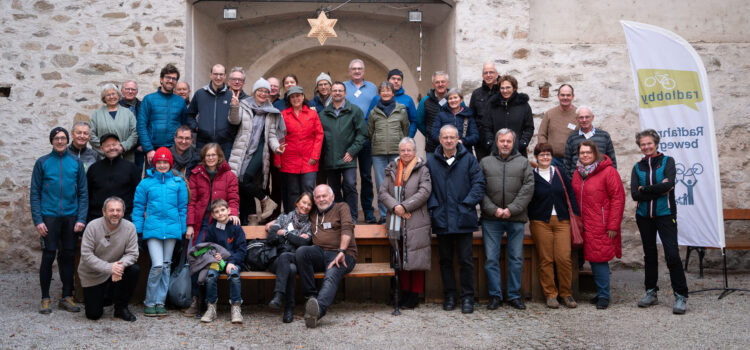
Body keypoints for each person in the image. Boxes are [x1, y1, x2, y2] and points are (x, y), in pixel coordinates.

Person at [426, 125, 485, 314]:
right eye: (445, 137)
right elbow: (427, 188)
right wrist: (434, 207)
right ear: (440, 139)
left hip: (464, 218)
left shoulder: (468, 159)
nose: (449, 140)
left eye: (452, 137)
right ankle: (450, 295)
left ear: (458, 138)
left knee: (466, 261)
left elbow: (479, 183)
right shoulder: (431, 161)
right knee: (445, 261)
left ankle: (467, 297)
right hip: (442, 218)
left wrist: (467, 203)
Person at [30, 127, 88, 314]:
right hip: (49, 217)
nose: (60, 141)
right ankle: (45, 298)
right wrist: (38, 220)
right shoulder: (42, 162)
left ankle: (66, 296)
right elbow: (34, 194)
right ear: (52, 141)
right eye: (57, 138)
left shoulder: (76, 163)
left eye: (63, 138)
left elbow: (83, 193)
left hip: (71, 217)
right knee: (48, 257)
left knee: (68, 258)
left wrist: (81, 218)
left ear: (67, 139)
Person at [630, 129, 688, 314]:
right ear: (640, 146)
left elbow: (669, 184)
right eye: (643, 144)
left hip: (665, 214)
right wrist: (657, 189)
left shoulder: (667, 161)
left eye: (649, 143)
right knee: (650, 255)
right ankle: (651, 292)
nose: (646, 147)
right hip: (644, 216)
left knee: (672, 254)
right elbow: (634, 194)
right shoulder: (637, 167)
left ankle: (680, 295)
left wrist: (645, 189)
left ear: (656, 143)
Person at [479, 128, 534, 311]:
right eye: (502, 141)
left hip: (516, 217)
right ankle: (495, 296)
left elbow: (528, 188)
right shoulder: (485, 162)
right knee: (491, 259)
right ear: (496, 142)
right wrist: (493, 210)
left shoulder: (523, 163)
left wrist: (512, 209)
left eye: (508, 141)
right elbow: (480, 188)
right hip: (491, 218)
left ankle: (514, 295)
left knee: (516, 258)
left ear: (513, 143)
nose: (505, 144)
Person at [132, 147, 188, 317]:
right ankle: (149, 301)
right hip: (153, 229)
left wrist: (183, 228)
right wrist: (138, 229)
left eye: (165, 162)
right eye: (159, 162)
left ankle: (160, 302)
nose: (162, 165)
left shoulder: (178, 183)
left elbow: (182, 208)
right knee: (157, 265)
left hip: (171, 230)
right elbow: (138, 207)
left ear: (170, 164)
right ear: (154, 164)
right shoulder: (146, 183)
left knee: (166, 265)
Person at [378, 137, 432, 309]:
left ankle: (413, 296)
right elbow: (383, 192)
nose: (406, 153)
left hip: (416, 218)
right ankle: (403, 293)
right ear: (399, 152)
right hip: (396, 219)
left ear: (415, 152)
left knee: (415, 257)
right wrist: (396, 207)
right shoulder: (392, 169)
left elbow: (425, 192)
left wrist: (405, 206)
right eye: (403, 150)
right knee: (399, 257)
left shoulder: (422, 169)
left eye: (409, 150)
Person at [571, 140, 625, 310]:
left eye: (588, 152)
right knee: (587, 258)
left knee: (599, 259)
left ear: (595, 153)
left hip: (600, 224)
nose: (585, 155)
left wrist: (612, 226)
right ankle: (597, 292)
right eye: (582, 153)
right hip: (582, 224)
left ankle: (603, 295)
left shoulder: (608, 172)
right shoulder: (578, 173)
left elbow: (618, 199)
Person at [528, 143, 579, 309]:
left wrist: (576, 215)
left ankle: (566, 293)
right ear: (536, 157)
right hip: (541, 221)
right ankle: (550, 294)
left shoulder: (560, 172)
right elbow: (527, 197)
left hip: (562, 220)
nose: (545, 157)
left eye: (548, 155)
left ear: (551, 157)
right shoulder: (531, 176)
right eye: (541, 155)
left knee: (563, 258)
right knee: (546, 259)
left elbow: (570, 194)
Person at [297, 185, 357, 328]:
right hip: (319, 251)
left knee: (331, 274)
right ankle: (311, 297)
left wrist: (342, 251)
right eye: (317, 197)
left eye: (324, 196)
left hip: (342, 254)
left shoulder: (342, 207)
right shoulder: (313, 212)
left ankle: (317, 312)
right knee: (302, 252)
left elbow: (347, 227)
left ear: (332, 197)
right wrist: (275, 223)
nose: (321, 199)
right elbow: (294, 215)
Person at [228, 78, 282, 223]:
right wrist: (234, 107)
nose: (263, 94)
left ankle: (266, 201)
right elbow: (234, 121)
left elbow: (271, 135)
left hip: (260, 149)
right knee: (238, 182)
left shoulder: (271, 111)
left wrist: (277, 147)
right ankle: (251, 217)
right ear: (255, 91)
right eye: (260, 90)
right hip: (243, 148)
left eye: (266, 91)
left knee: (245, 179)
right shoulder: (244, 105)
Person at [78, 197, 139, 322]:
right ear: (104, 212)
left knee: (134, 270)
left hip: (116, 270)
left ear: (123, 212)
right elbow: (86, 255)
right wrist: (109, 268)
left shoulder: (130, 228)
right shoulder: (92, 227)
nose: (115, 213)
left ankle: (121, 308)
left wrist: (119, 266)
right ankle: (104, 296)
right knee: (93, 314)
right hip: (93, 273)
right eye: (111, 210)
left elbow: (133, 254)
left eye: (118, 210)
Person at [319, 82, 368, 223]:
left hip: (348, 157)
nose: (337, 93)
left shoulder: (355, 111)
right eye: (334, 91)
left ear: (345, 93)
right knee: (333, 190)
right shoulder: (323, 114)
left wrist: (352, 151)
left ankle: (352, 217)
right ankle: (340, 216)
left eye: (340, 90)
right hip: (330, 157)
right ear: (331, 93)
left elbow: (362, 134)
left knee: (350, 185)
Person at [267, 192, 314, 323]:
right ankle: (289, 308)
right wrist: (296, 237)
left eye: (309, 204)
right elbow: (271, 238)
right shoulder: (283, 218)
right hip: (276, 258)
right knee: (290, 267)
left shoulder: (310, 225)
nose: (305, 206)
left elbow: (304, 244)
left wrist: (285, 234)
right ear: (297, 203)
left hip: (295, 258)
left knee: (291, 266)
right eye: (304, 202)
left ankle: (278, 297)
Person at [199, 199, 247, 324]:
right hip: (217, 262)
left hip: (234, 261)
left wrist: (231, 262)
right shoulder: (211, 229)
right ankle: (211, 308)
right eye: (217, 212)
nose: (220, 213)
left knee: (235, 274)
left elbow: (241, 249)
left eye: (222, 210)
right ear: (213, 215)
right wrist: (215, 256)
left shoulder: (236, 228)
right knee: (210, 275)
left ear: (229, 211)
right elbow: (207, 248)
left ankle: (236, 307)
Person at [368, 81, 410, 223]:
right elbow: (370, 131)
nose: (385, 93)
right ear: (379, 93)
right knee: (381, 185)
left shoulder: (402, 110)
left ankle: (397, 212)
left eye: (388, 90)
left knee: (397, 184)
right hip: (378, 153)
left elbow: (405, 130)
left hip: (396, 153)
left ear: (393, 93)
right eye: (383, 90)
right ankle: (384, 215)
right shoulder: (374, 112)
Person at [344, 59, 378, 223]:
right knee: (349, 179)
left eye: (359, 69)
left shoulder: (372, 88)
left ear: (363, 71)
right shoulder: (344, 87)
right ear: (349, 71)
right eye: (354, 69)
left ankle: (368, 212)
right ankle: (349, 214)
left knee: (366, 176)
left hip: (366, 137)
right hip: (347, 138)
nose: (357, 71)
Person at [279, 85, 324, 212]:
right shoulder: (283, 115)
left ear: (303, 97)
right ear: (289, 100)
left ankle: (309, 219)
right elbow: (279, 137)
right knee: (292, 191)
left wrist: (315, 156)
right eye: (292, 97)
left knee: (308, 189)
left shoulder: (312, 114)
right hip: (290, 160)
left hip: (309, 160)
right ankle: (292, 220)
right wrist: (278, 159)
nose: (296, 99)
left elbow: (319, 135)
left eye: (298, 96)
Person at [137, 63, 187, 167]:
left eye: (174, 78)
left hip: (174, 150)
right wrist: (148, 149)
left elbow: (183, 126)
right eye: (168, 77)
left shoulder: (180, 102)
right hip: (153, 150)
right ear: (161, 79)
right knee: (153, 181)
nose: (171, 80)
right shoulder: (149, 99)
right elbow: (141, 125)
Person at [86, 133, 140, 222]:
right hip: (97, 218)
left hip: (124, 218)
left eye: (114, 144)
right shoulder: (94, 169)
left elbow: (138, 194)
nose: (111, 148)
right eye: (107, 146)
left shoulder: (131, 168)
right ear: (102, 149)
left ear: (119, 145)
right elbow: (88, 195)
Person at [187, 64, 237, 158]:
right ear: (210, 75)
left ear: (225, 76)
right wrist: (196, 127)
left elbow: (236, 119)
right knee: (201, 171)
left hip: (225, 144)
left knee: (223, 172)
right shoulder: (200, 94)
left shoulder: (231, 95)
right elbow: (189, 115)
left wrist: (229, 132)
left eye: (221, 74)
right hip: (203, 142)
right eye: (215, 74)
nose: (218, 77)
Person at [482, 75, 534, 157]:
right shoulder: (492, 105)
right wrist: (491, 144)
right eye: (502, 88)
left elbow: (529, 128)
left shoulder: (523, 105)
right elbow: (486, 127)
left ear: (514, 88)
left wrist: (522, 144)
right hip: (496, 152)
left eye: (508, 87)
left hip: (518, 152)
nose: (505, 91)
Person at [564, 105, 617, 178]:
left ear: (592, 118)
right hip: (577, 182)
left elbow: (612, 161)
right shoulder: (572, 138)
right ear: (577, 119)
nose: (584, 120)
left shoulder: (604, 136)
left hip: (600, 181)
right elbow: (566, 163)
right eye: (581, 117)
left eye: (587, 117)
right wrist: (571, 180)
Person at [89, 83, 139, 159]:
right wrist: (107, 149)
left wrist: (122, 147)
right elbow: (91, 135)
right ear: (104, 98)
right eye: (108, 95)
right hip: (103, 157)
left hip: (125, 156)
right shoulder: (96, 114)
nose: (111, 97)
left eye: (113, 94)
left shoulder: (128, 113)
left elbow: (135, 133)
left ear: (118, 96)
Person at [368, 69, 418, 137]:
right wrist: (372, 139)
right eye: (393, 78)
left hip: (401, 143)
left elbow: (414, 121)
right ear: (388, 80)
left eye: (399, 79)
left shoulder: (408, 100)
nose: (396, 81)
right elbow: (368, 120)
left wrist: (409, 138)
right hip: (379, 142)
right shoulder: (377, 99)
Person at [538, 84, 577, 169]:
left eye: (568, 95)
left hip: (572, 160)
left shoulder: (578, 115)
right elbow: (542, 134)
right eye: (562, 95)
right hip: (552, 159)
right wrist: (546, 152)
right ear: (558, 96)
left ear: (573, 96)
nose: (565, 97)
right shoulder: (550, 114)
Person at [430, 88, 479, 155]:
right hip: (445, 152)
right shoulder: (441, 115)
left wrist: (462, 141)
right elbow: (434, 134)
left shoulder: (468, 115)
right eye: (450, 98)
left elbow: (475, 136)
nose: (453, 100)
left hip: (465, 152)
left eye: (455, 98)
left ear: (461, 100)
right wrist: (446, 141)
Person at [469, 62, 499, 160]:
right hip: (481, 142)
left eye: (491, 72)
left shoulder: (503, 92)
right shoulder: (476, 94)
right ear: (482, 76)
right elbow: (471, 117)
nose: (488, 75)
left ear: (496, 74)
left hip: (499, 140)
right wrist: (475, 136)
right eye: (486, 73)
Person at [416, 71, 450, 153]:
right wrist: (430, 134)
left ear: (447, 83)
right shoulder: (424, 101)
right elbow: (419, 121)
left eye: (443, 82)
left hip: (452, 145)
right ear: (433, 84)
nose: (440, 84)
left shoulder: (455, 99)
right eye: (437, 82)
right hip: (432, 147)